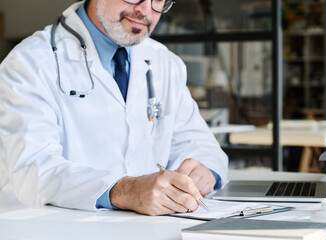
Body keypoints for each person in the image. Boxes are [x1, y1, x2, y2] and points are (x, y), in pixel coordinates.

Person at [0, 0, 228, 215]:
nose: (145, 10)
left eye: (158, 0)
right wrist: (126, 191)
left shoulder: (164, 62)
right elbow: (34, 169)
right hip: (50, 230)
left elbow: (201, 144)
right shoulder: (29, 63)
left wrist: (204, 172)